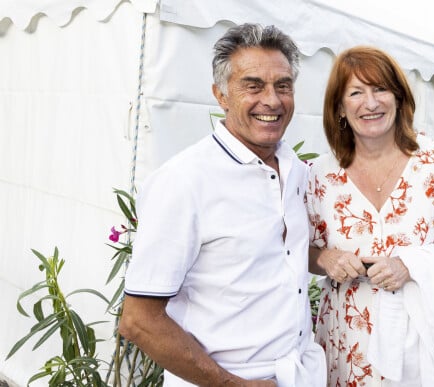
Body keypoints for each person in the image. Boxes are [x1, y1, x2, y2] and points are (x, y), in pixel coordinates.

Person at [119, 23, 326, 387]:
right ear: (221, 95)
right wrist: (232, 385)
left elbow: (281, 254)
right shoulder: (184, 181)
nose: (272, 100)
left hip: (297, 374)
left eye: (283, 85)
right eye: (253, 85)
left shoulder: (294, 170)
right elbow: (138, 320)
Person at [306, 46, 434, 386]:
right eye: (356, 92)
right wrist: (326, 258)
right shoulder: (318, 176)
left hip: (422, 340)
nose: (370, 103)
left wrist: (410, 264)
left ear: (399, 97)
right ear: (339, 107)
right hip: (347, 341)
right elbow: (303, 252)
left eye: (380, 89)